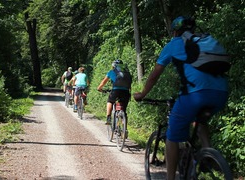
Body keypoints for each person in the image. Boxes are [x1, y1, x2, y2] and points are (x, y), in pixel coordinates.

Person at [133, 16, 228, 180]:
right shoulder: (204, 41)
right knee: (200, 121)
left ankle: (171, 178)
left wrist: (142, 94)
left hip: (195, 95)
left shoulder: (174, 44)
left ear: (175, 31)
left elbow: (155, 75)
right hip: (221, 93)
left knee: (172, 137)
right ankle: (207, 156)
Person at [97, 59, 132, 130]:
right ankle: (124, 129)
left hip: (116, 90)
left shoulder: (111, 72)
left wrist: (99, 88)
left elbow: (104, 82)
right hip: (126, 91)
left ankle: (108, 117)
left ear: (114, 66)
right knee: (123, 110)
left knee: (110, 101)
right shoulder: (127, 73)